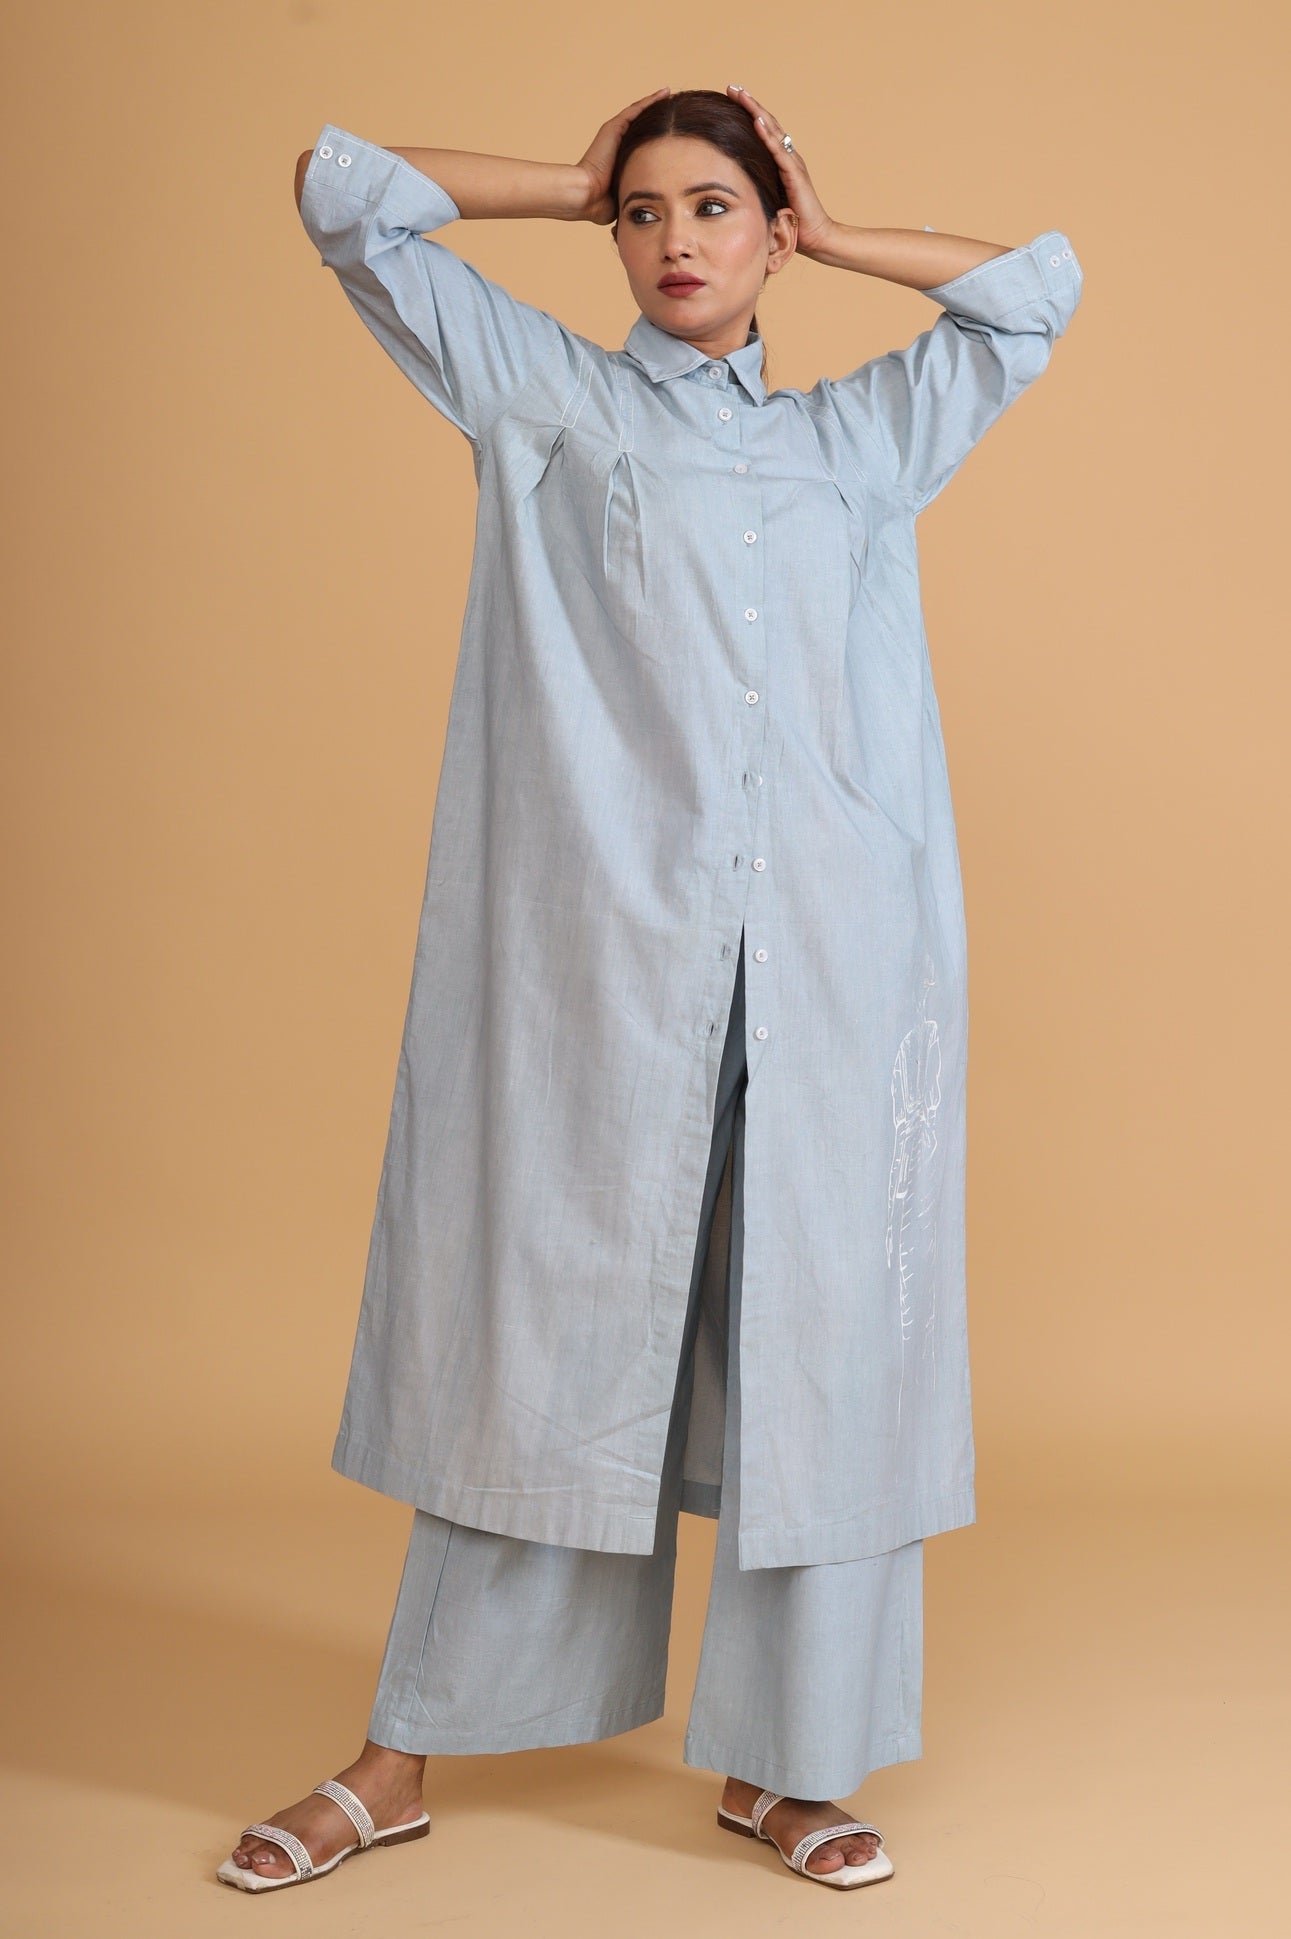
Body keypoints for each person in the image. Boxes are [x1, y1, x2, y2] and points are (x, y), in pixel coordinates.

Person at [219, 84, 1082, 1895]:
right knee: (550, 1329)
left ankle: (789, 1769)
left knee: (828, 1351)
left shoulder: (862, 436)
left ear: (772, 231)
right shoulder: (544, 397)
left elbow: (1031, 298)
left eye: (714, 207)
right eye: (644, 213)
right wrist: (564, 180)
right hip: (605, 963)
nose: (676, 240)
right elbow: (341, 194)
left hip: (843, 962)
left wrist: (835, 223)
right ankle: (401, 1754)